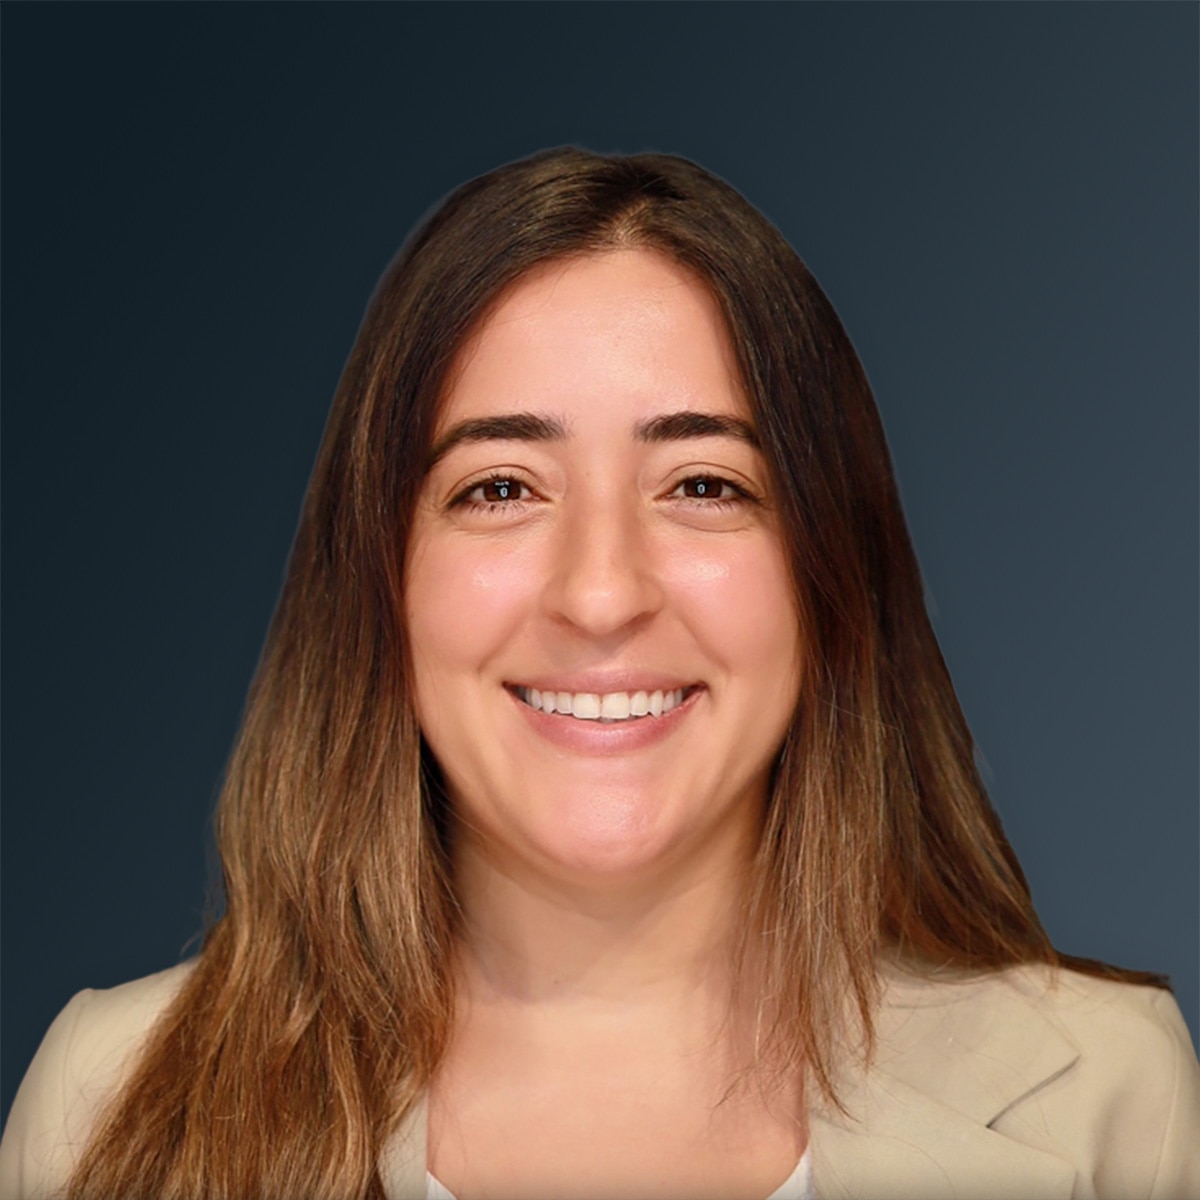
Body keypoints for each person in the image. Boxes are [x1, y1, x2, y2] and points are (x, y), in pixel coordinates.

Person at [1, 147, 1197, 1200]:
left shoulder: (1108, 1102)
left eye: (704, 487)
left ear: (831, 573)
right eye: (502, 488)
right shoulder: (111, 1102)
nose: (602, 594)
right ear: (380, 581)